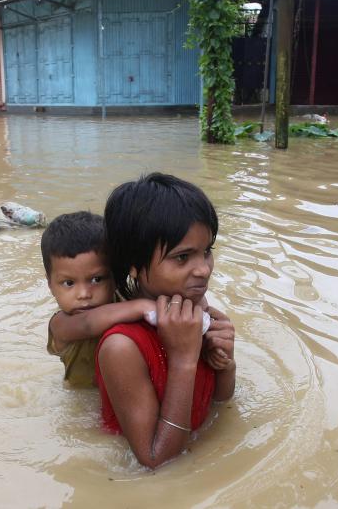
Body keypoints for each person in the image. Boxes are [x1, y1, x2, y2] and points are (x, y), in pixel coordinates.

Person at [96, 173, 236, 469]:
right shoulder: (122, 347)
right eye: (183, 257)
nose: (203, 270)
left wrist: (226, 360)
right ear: (134, 265)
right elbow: (156, 460)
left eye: (207, 251)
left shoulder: (194, 307)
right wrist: (184, 359)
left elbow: (219, 403)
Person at [43, 211, 158, 388]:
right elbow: (87, 324)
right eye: (68, 283)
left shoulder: (122, 300)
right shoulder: (60, 324)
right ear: (50, 284)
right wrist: (142, 306)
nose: (83, 294)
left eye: (96, 279)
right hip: (82, 397)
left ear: (115, 276)